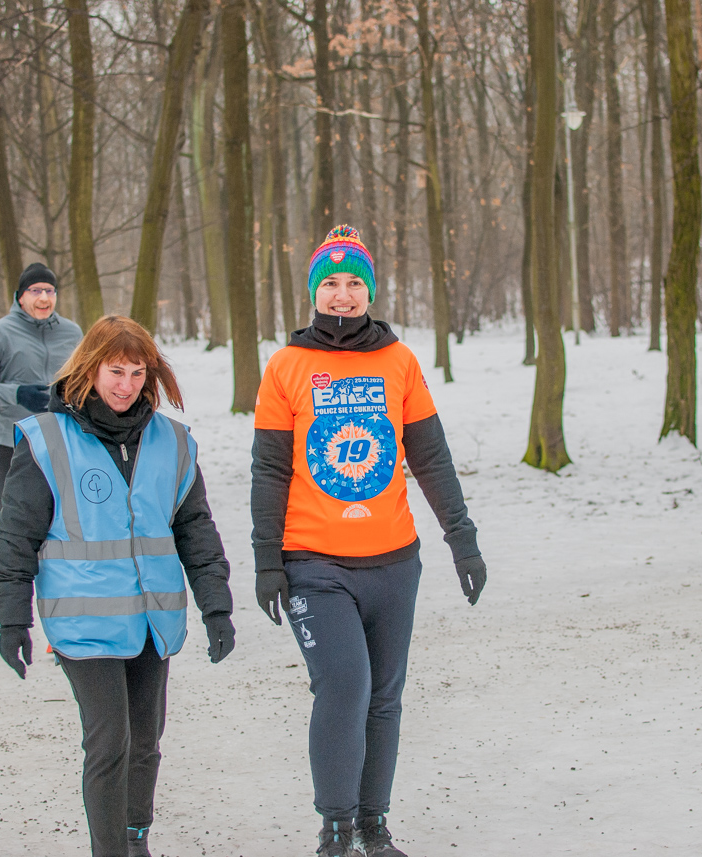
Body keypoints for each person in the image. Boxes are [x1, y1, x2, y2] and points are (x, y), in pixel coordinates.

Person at [251, 226, 488, 857]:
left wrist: (461, 539)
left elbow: (430, 458)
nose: (342, 294)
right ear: (313, 292)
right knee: (344, 687)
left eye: (354, 282)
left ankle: (372, 825)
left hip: (393, 563)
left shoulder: (399, 361)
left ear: (370, 291)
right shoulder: (286, 366)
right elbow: (269, 469)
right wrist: (266, 559)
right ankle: (335, 829)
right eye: (330, 283)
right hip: (314, 562)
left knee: (384, 698)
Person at [0, 315, 235, 857]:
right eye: (115, 371)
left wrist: (216, 608)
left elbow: (195, 528)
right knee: (110, 743)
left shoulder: (172, 441)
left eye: (137, 372)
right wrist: (12, 620)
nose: (126, 385)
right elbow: (15, 537)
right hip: (83, 623)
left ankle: (134, 839)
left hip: (151, 621)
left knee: (145, 742)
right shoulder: (46, 439)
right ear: (89, 370)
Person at [0, 263, 82, 602]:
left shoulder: (72, 333)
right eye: (35, 291)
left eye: (50, 291)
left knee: (59, 521)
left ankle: (60, 598)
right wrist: (16, 394)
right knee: (14, 522)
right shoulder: (0, 332)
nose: (44, 298)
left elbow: (84, 379)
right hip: (8, 440)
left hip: (57, 438)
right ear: (20, 297)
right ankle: (2, 574)